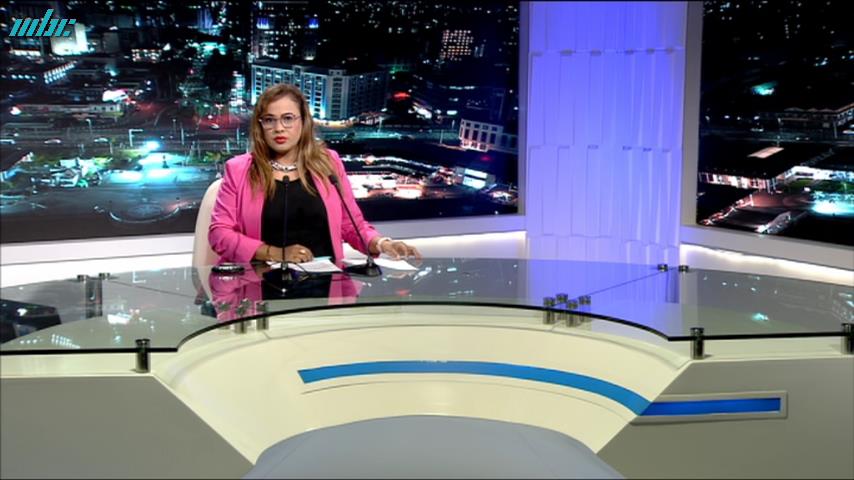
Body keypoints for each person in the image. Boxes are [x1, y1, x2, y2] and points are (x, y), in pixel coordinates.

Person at [209, 83, 421, 265]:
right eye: (269, 120)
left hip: (326, 281)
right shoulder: (239, 169)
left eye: (288, 118)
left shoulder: (328, 162)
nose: (279, 128)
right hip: (262, 283)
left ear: (303, 122)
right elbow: (219, 234)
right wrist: (274, 253)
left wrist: (382, 244)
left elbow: (350, 223)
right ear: (260, 125)